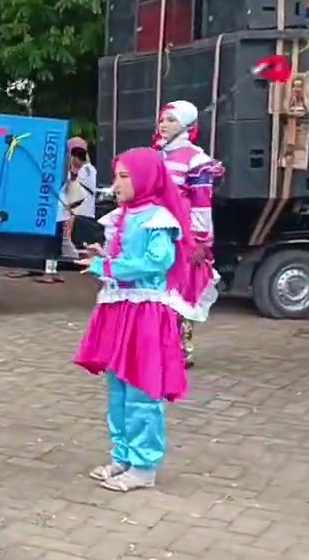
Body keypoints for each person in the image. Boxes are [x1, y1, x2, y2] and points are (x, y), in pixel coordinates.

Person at [74, 147, 192, 493]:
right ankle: (123, 456)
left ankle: (144, 467)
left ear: (145, 178)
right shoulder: (123, 215)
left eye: (125, 177)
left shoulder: (158, 218)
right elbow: (126, 258)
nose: (117, 184)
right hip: (119, 308)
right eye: (118, 176)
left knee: (142, 388)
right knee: (118, 387)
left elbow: (157, 263)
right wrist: (104, 256)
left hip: (146, 313)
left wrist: (108, 267)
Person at [151, 101, 222, 367]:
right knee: (155, 292)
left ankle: (181, 349)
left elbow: (202, 204)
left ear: (185, 124)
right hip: (153, 232)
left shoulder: (197, 160)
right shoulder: (156, 155)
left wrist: (200, 241)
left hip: (182, 237)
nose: (163, 124)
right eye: (162, 119)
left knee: (181, 293)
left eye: (170, 120)